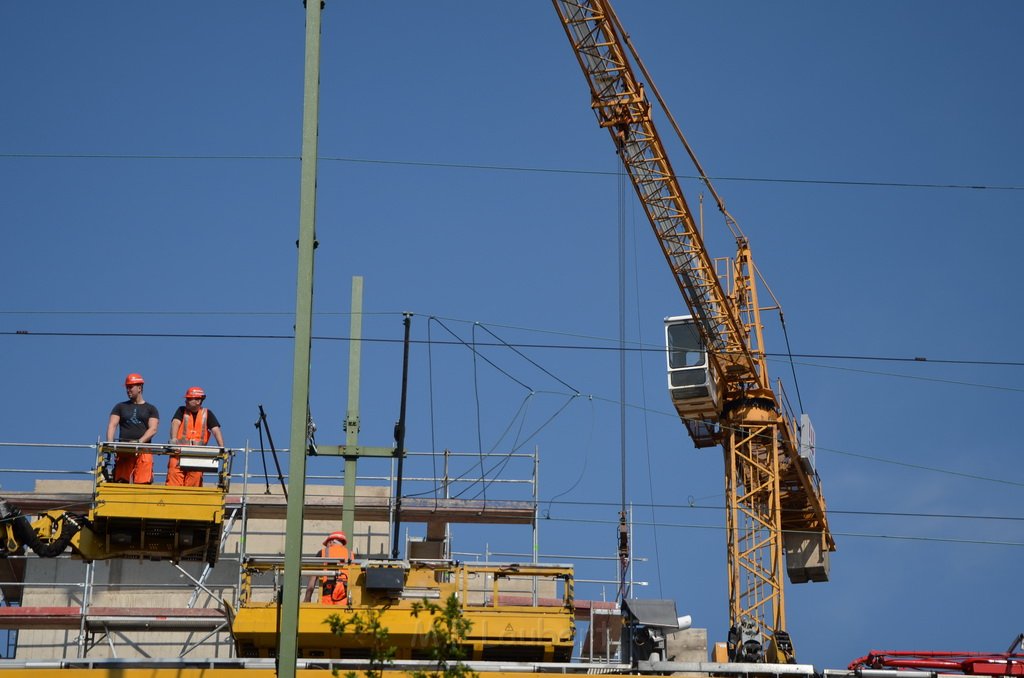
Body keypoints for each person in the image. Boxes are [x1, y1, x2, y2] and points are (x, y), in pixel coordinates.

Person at [106, 373, 160, 484]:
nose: (128, 390)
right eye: (127, 387)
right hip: (124, 450)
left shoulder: (151, 409)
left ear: (139, 388)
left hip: (143, 451)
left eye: (130, 387)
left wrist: (139, 442)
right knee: (121, 481)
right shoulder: (120, 407)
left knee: (143, 482)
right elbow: (112, 425)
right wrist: (110, 444)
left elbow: (153, 429)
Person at [166, 386, 225, 487]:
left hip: (197, 455)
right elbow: (175, 423)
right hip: (178, 453)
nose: (186, 401)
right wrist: (173, 439)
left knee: (195, 480)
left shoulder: (207, 414)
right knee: (174, 478)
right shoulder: (181, 411)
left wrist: (222, 448)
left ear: (198, 401)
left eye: (189, 399)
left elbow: (216, 430)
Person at [304, 531, 353, 605]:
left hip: (327, 599)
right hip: (345, 600)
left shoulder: (323, 552)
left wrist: (307, 599)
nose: (326, 547)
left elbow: (313, 579)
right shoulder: (351, 555)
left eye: (326, 544)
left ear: (330, 542)